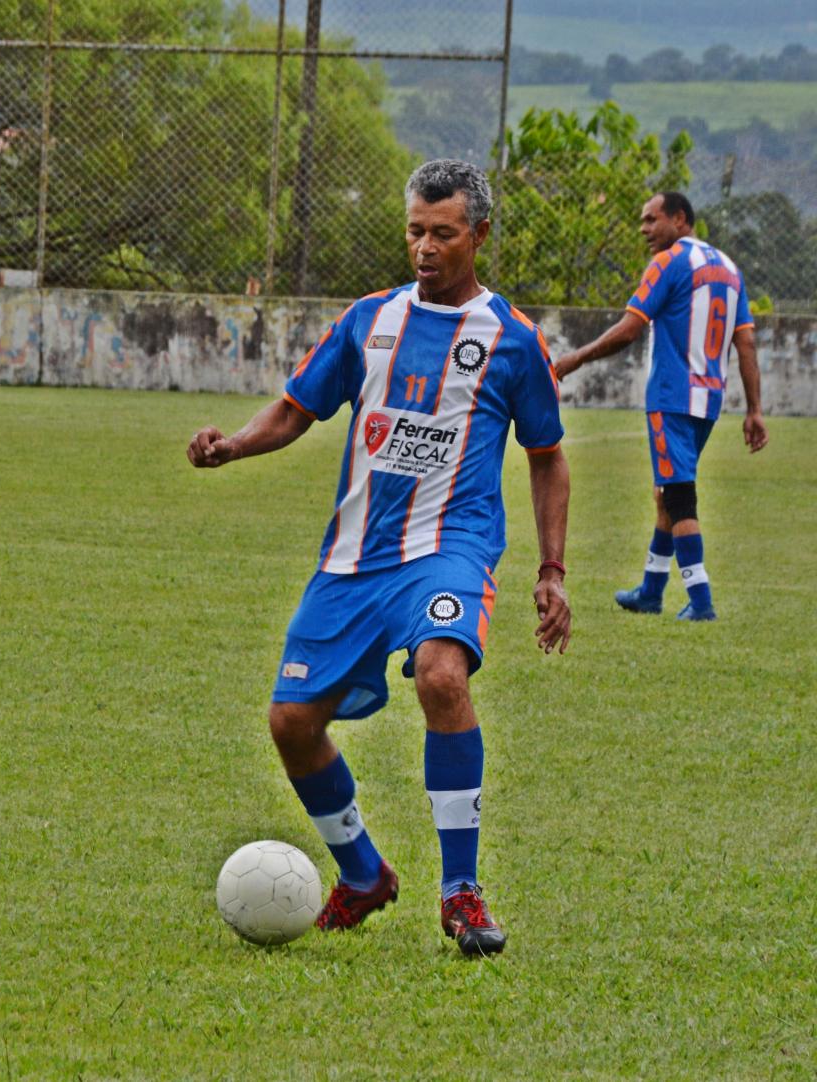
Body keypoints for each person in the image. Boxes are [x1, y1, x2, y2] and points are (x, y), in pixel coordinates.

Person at [187, 160, 571, 957]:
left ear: (480, 235)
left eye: (444, 233)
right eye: (415, 231)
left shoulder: (513, 341)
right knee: (292, 723)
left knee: (441, 674)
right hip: (356, 556)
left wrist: (551, 570)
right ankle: (364, 874)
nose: (425, 248)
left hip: (450, 547)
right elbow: (297, 410)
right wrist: (234, 446)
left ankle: (460, 890)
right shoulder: (368, 320)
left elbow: (546, 455)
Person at [554, 192, 769, 620]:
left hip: (671, 397)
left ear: (680, 219)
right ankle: (651, 591)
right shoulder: (729, 269)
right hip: (708, 401)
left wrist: (573, 360)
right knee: (666, 492)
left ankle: (701, 601)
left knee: (679, 496)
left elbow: (630, 328)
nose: (644, 229)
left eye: (652, 220)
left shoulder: (668, 262)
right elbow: (745, 344)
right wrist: (754, 410)